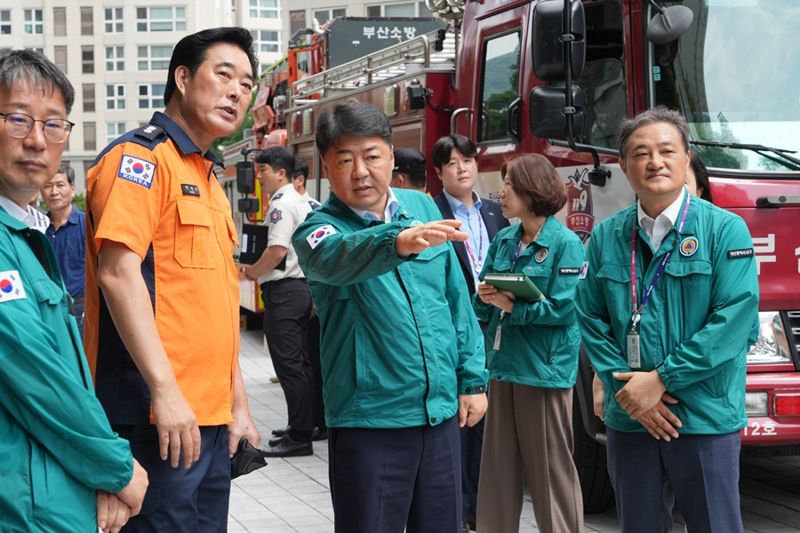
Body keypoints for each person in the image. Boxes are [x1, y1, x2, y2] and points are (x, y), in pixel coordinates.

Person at [84, 28, 261, 531]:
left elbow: (216, 306)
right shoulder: (139, 161)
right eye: (223, 75)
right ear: (182, 78)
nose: (236, 92)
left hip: (206, 419)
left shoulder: (207, 176)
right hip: (154, 417)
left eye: (246, 84)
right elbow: (118, 274)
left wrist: (238, 405)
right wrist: (164, 390)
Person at [292, 101, 489, 533]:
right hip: (370, 422)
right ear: (325, 166)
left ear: (392, 156)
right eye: (344, 160)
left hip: (439, 418)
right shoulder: (318, 230)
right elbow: (337, 258)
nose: (360, 171)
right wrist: (396, 240)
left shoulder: (422, 207)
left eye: (372, 156)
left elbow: (455, 298)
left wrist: (472, 378)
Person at [576, 107, 759, 532]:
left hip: (702, 416)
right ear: (623, 166)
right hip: (631, 418)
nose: (654, 162)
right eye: (640, 153)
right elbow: (590, 314)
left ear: (686, 158)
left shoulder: (725, 231)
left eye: (665, 151)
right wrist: (633, 391)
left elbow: (733, 322)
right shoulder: (606, 236)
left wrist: (660, 381)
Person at [0, 48, 148, 533]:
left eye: (54, 124)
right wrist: (116, 468)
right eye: (18, 119)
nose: (37, 141)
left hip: (52, 484)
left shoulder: (27, 232)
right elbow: (33, 372)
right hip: (24, 503)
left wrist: (99, 474)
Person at [473, 154, 584, 533]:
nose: (501, 192)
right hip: (503, 365)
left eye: (510, 185)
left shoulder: (566, 243)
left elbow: (567, 308)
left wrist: (513, 307)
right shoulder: (504, 238)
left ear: (533, 191)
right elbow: (485, 296)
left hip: (545, 370)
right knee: (498, 470)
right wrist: (485, 297)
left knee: (550, 470)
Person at [431, 133, 508, 531]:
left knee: (486, 423)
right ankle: (457, 510)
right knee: (461, 421)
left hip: (494, 323)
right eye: (452, 163)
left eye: (468, 160)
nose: (462, 169)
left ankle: (480, 508)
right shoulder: (432, 213)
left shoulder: (495, 212)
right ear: (439, 172)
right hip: (457, 326)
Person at [241, 146, 315, 457]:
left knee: (289, 366)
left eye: (263, 171)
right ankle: (307, 424)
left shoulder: (282, 205)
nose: (259, 176)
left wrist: (251, 272)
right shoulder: (303, 201)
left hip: (285, 291)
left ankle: (300, 435)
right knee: (304, 363)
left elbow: (277, 252)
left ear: (281, 173)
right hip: (301, 290)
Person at [41, 163, 86, 337]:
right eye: (47, 186)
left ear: (73, 189)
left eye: (60, 185)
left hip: (81, 310)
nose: (53, 192)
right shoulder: (37, 229)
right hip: (48, 311)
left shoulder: (87, 225)